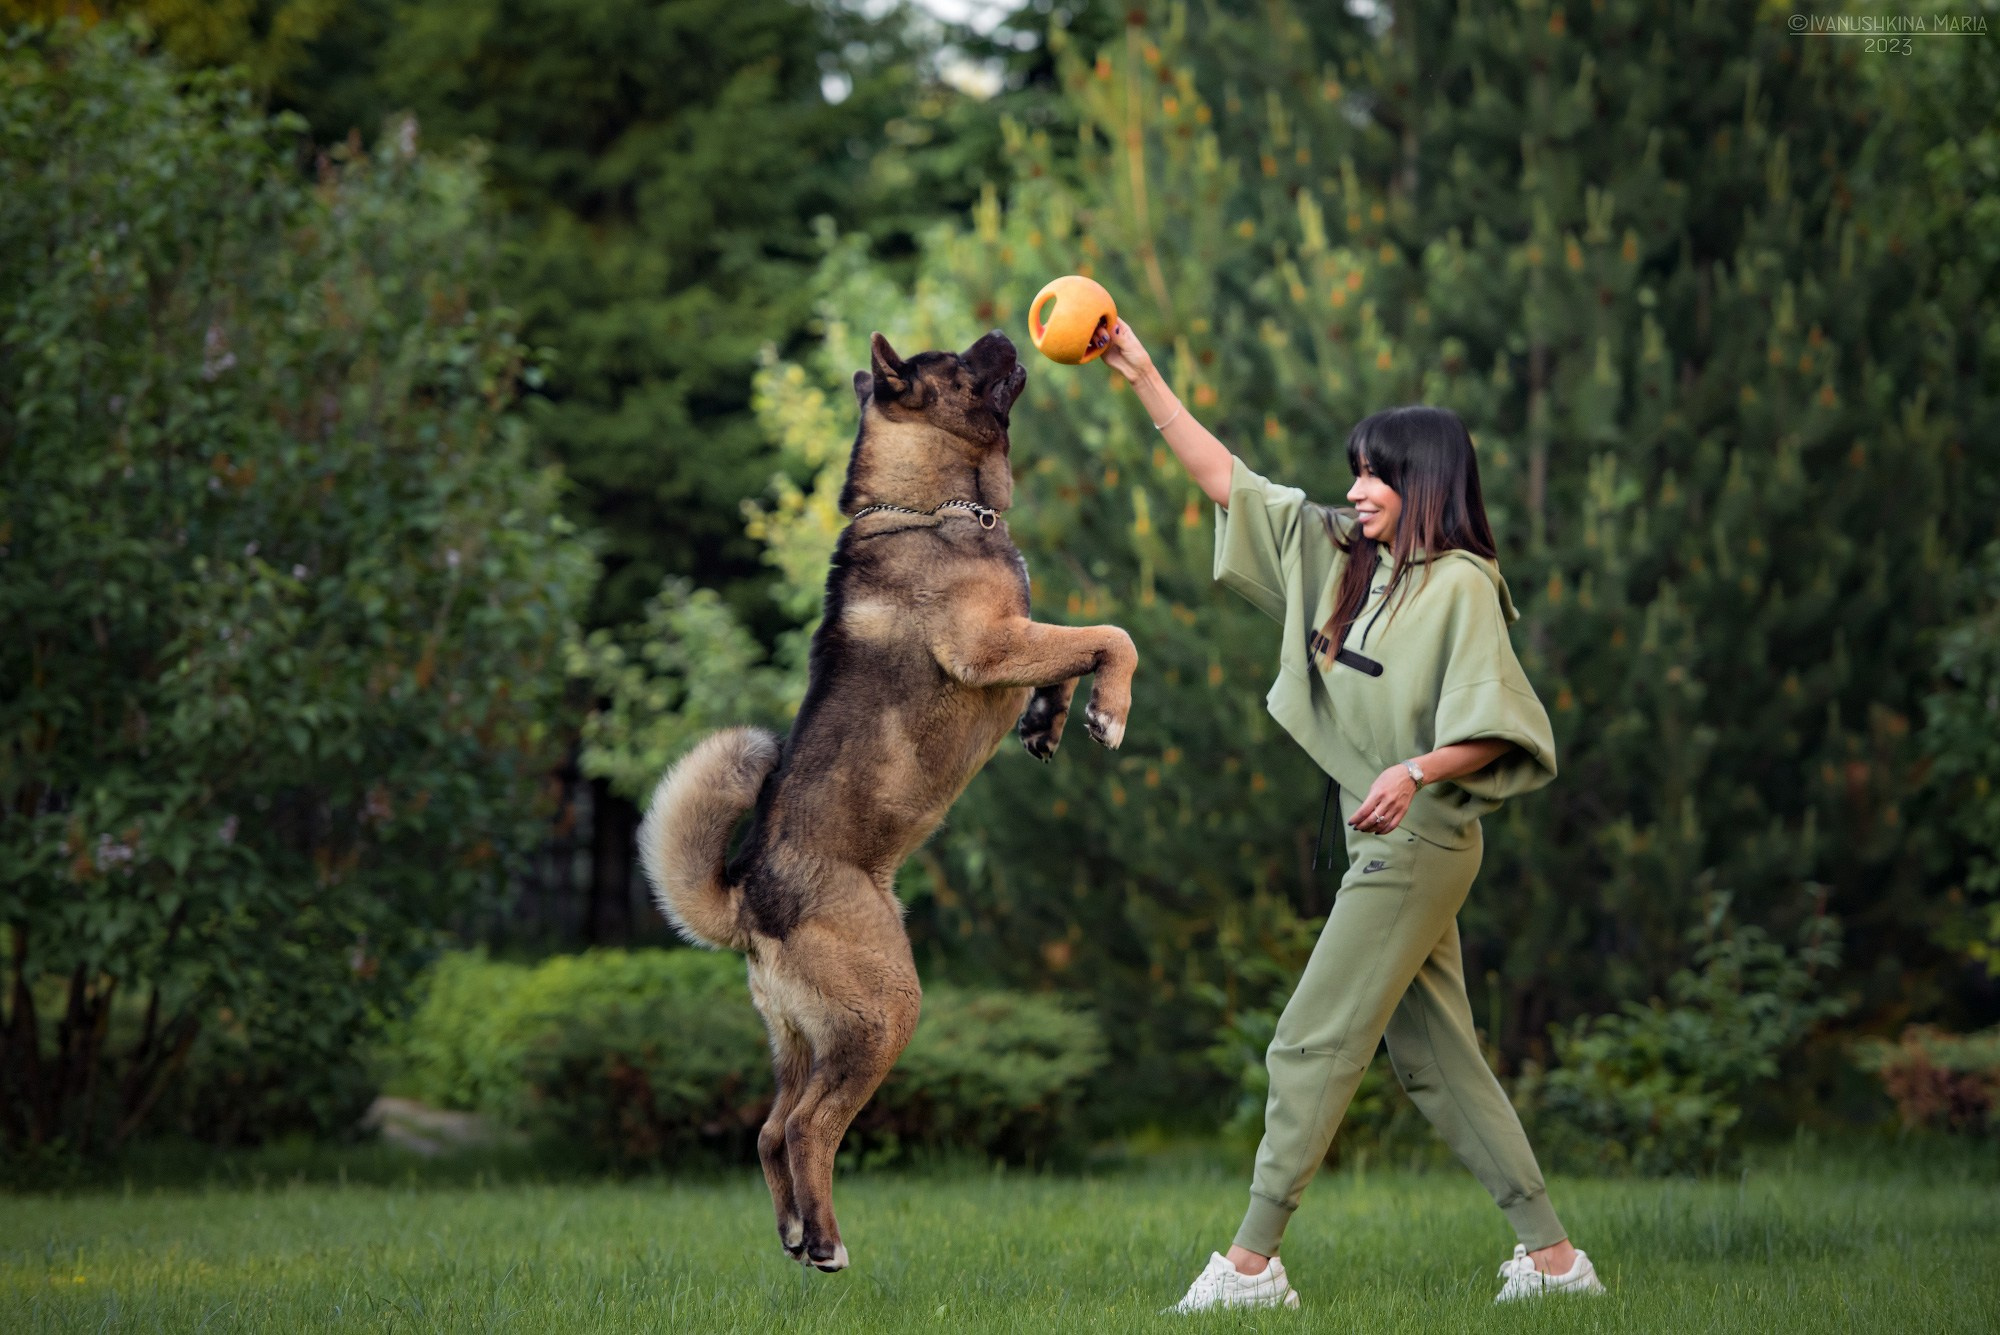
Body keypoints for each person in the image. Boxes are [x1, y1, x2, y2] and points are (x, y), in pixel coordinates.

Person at [1096, 320, 1607, 1311]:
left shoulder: (1460, 586)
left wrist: (1414, 770)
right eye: (1354, 472)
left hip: (1420, 839)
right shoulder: (1340, 554)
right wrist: (1144, 375)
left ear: (1423, 481)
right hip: (1381, 836)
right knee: (1432, 1061)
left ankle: (1249, 1266)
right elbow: (1229, 482)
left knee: (1307, 1041)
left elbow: (1501, 725)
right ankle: (1551, 1260)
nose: (1357, 489)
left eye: (1374, 474)